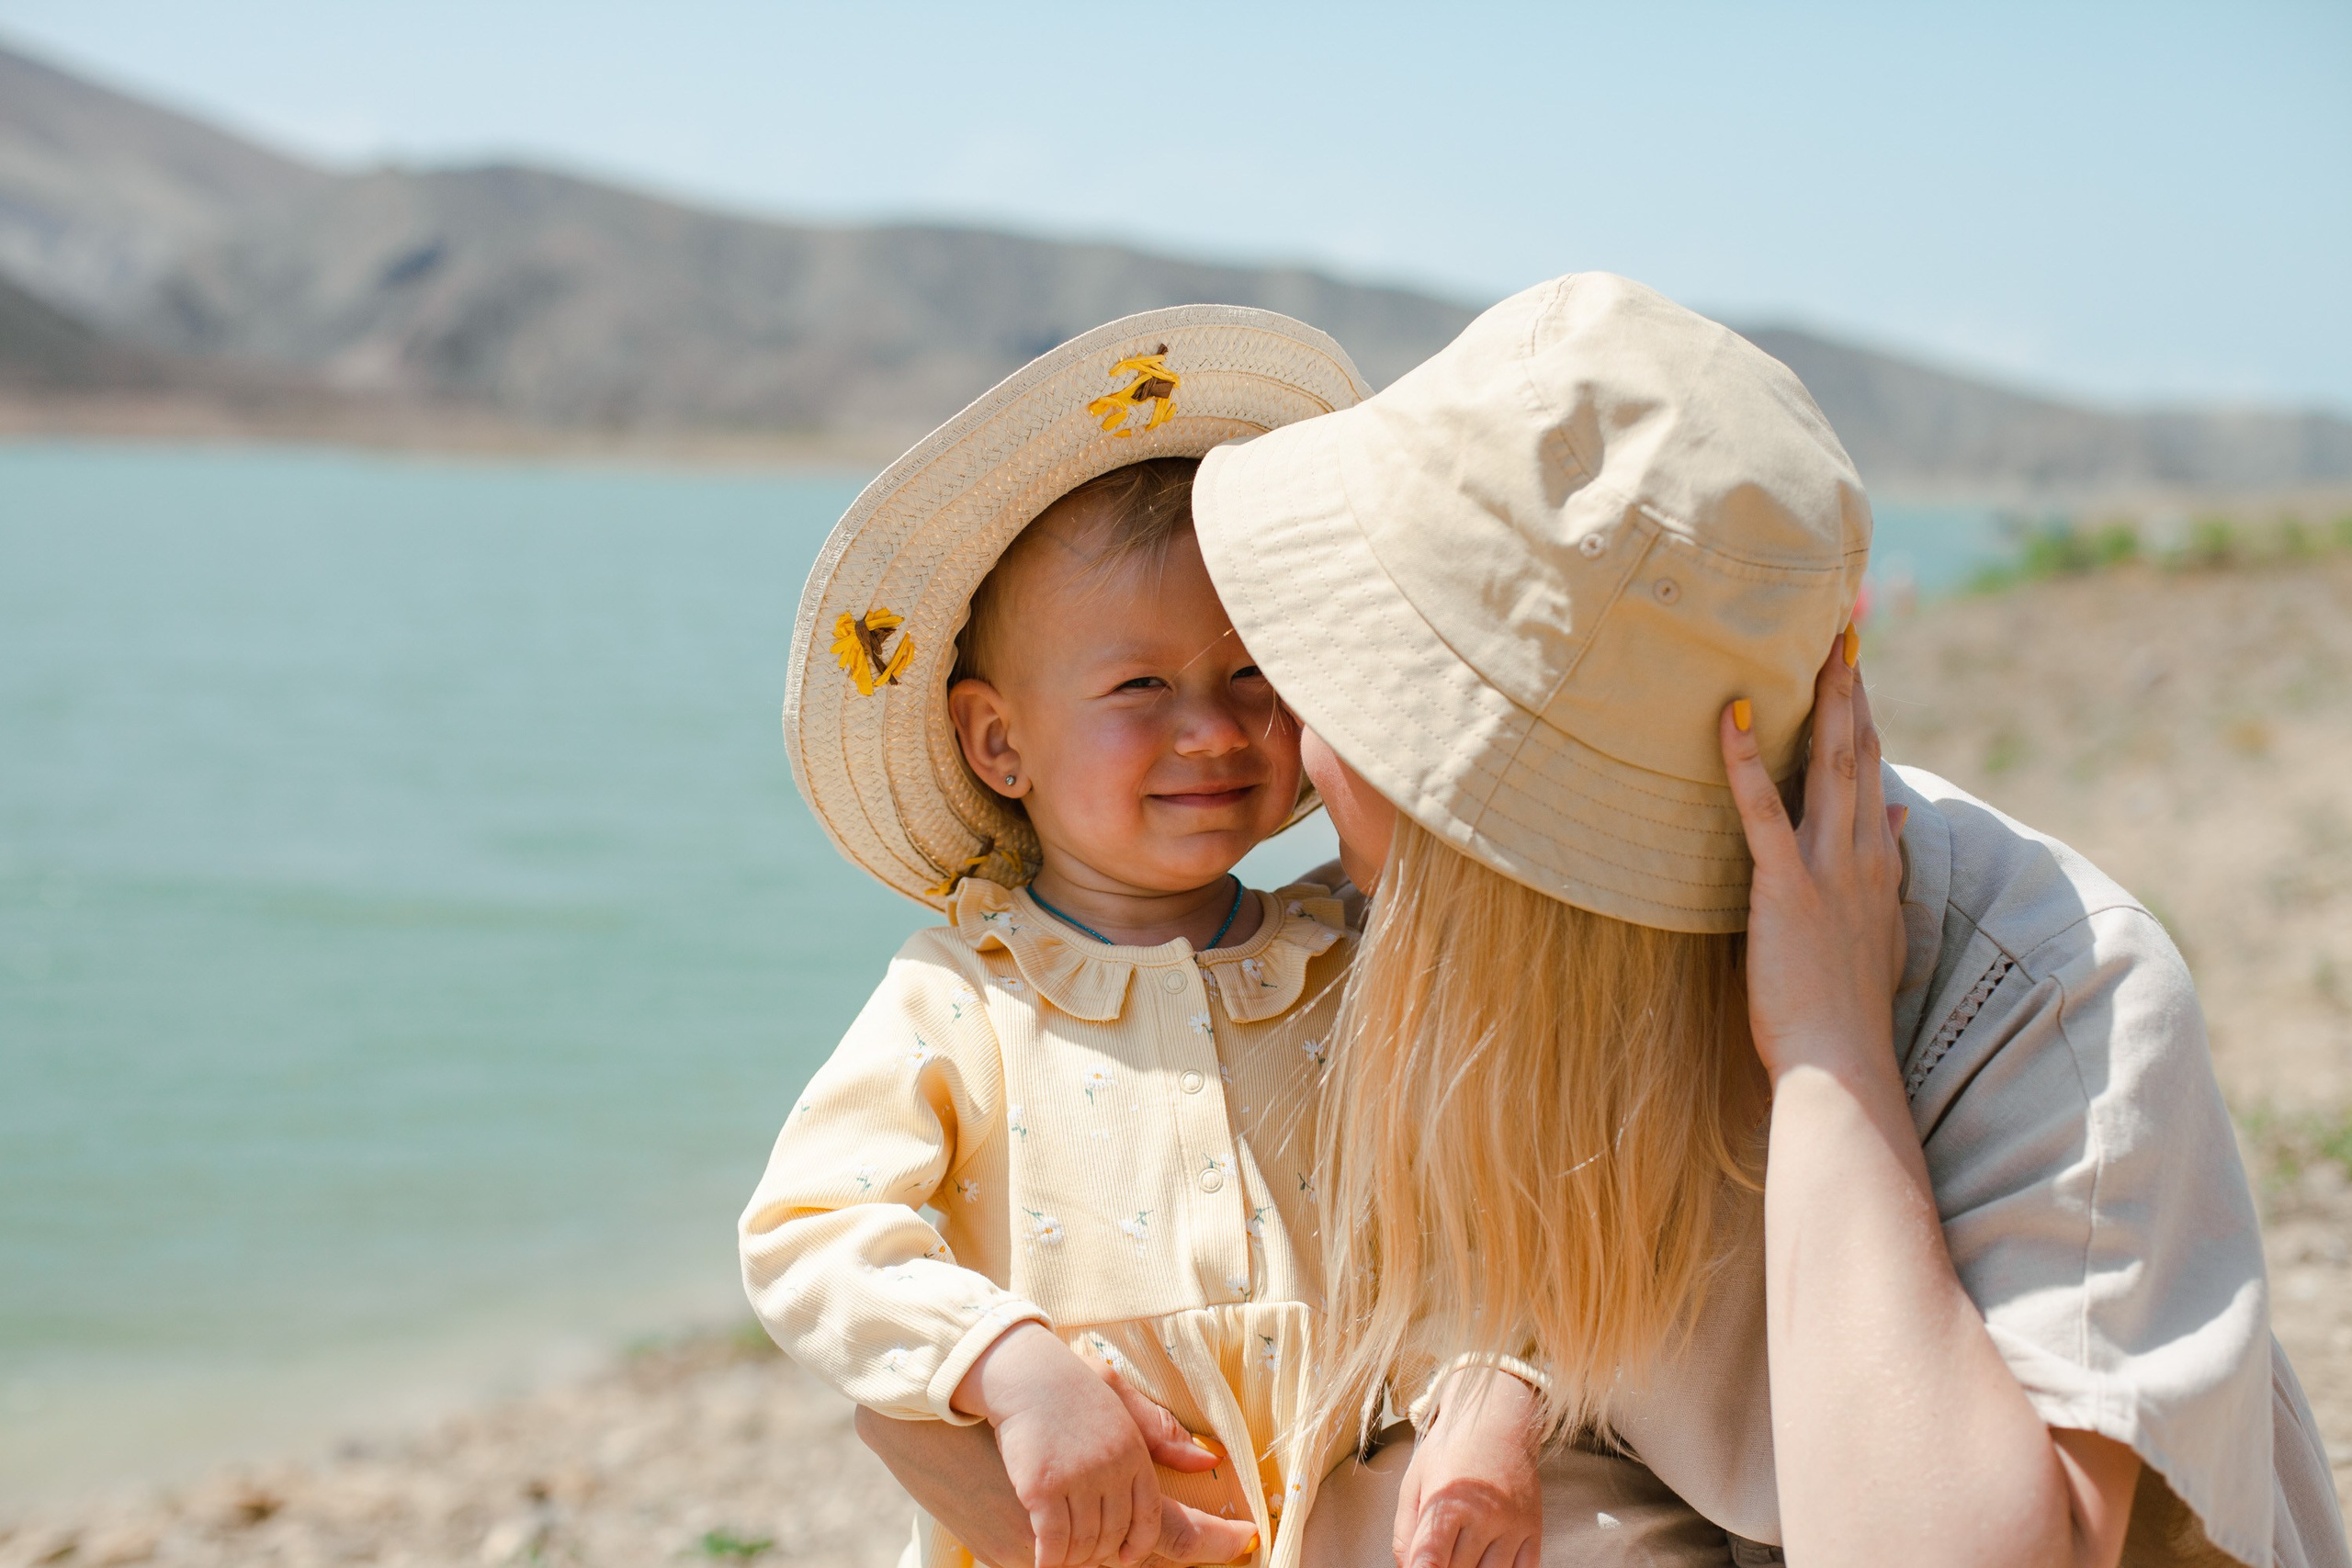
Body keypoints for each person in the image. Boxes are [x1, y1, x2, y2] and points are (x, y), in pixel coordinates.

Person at [1184, 273, 2350, 1568]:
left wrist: (1831, 1057)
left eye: (1354, 682)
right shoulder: (1448, 967)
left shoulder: (2049, 999)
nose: (1294, 730)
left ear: (1489, 858)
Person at [741, 307, 1377, 1568]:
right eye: (1140, 687)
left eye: (1250, 674)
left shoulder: (1342, 957)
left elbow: (1467, 1186)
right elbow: (808, 1228)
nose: (1212, 727)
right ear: (999, 743)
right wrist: (1005, 1360)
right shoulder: (964, 999)